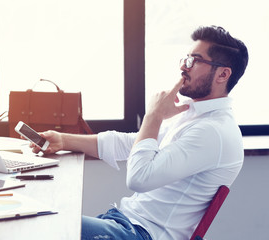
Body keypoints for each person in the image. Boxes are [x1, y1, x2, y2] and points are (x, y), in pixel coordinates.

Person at [30, 25, 249, 240]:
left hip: (141, 234)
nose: (184, 66)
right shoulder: (194, 116)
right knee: (37, 221)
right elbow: (133, 144)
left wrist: (153, 115)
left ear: (222, 74)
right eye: (186, 58)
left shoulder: (213, 131)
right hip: (125, 223)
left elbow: (139, 178)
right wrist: (63, 140)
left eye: (195, 60)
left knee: (40, 225)